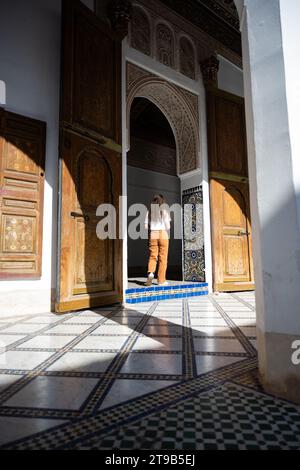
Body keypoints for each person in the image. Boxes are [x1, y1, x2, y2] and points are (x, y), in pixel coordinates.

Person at [144, 194, 171, 287]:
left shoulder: (149, 211)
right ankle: (161, 281)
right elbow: (168, 226)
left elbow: (145, 226)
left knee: (153, 256)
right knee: (163, 258)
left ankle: (151, 273)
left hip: (153, 233)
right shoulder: (165, 211)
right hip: (163, 233)